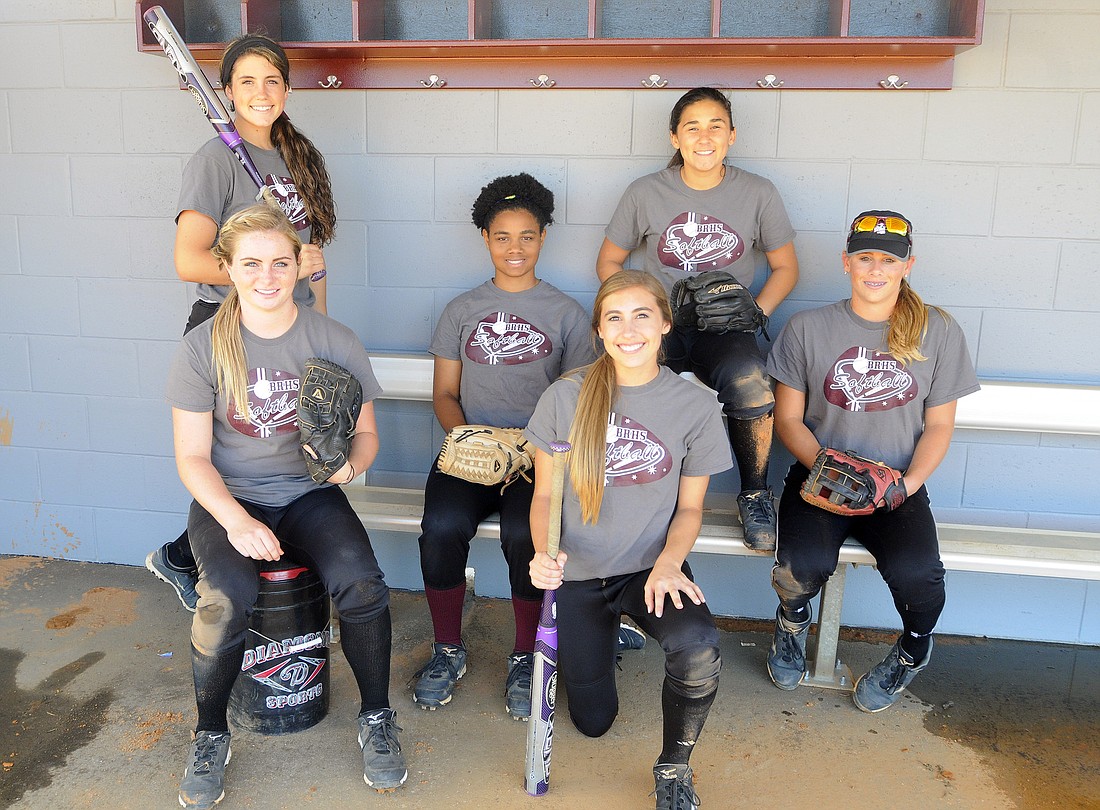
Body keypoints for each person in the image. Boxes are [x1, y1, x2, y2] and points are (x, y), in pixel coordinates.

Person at [165, 205, 405, 808]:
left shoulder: (333, 339)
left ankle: (377, 718)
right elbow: (193, 458)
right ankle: (211, 734)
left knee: (363, 586)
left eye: (281, 261)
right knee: (225, 600)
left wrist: (352, 463)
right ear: (226, 268)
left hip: (309, 494)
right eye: (251, 264)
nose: (267, 276)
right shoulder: (203, 346)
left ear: (301, 265)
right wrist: (237, 521)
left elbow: (368, 436)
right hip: (233, 497)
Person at [527, 270, 733, 810]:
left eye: (642, 314)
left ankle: (673, 767)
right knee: (593, 722)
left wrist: (670, 565)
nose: (628, 328)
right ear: (599, 329)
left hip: (649, 569)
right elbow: (545, 497)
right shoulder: (564, 396)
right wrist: (542, 554)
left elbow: (691, 507)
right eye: (614, 317)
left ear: (665, 324)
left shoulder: (695, 405)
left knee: (697, 650)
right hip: (578, 573)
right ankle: (605, 638)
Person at [147, 33, 337, 611]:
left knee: (281, 456)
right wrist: (261, 272)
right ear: (226, 92)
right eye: (247, 81)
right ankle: (200, 557)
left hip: (290, 326)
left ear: (286, 88)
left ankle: (186, 555)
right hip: (228, 328)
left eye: (273, 79)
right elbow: (188, 260)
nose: (261, 91)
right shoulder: (215, 159)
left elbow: (312, 257)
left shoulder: (301, 158)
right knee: (234, 458)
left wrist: (319, 331)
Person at [764, 210, 979, 712]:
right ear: (846, 262)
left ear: (908, 265)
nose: (875, 268)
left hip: (897, 485)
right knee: (799, 567)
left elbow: (940, 425)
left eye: (888, 258)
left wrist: (906, 484)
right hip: (820, 479)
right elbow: (788, 420)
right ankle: (792, 626)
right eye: (865, 257)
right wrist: (833, 471)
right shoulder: (808, 327)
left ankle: (913, 649)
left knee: (918, 576)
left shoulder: (938, 330)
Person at [412, 173, 599, 719]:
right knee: (441, 527)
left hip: (536, 458)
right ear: (485, 239)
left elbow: (574, 401)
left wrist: (530, 447)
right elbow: (445, 393)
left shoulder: (566, 314)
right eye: (501, 236)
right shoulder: (461, 309)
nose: (514, 248)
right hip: (470, 452)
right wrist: (465, 436)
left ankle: (526, 655)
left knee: (526, 534)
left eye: (527, 236)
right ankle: (448, 646)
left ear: (543, 238)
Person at [595, 86, 799, 552]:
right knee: (624, 387)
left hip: (726, 328)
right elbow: (609, 262)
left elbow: (787, 268)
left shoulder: (757, 192)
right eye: (692, 127)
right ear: (674, 138)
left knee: (752, 381)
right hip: (658, 326)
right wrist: (634, 312)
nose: (704, 137)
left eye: (715, 126)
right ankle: (636, 492)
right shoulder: (646, 192)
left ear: (731, 136)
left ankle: (754, 492)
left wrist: (754, 311)